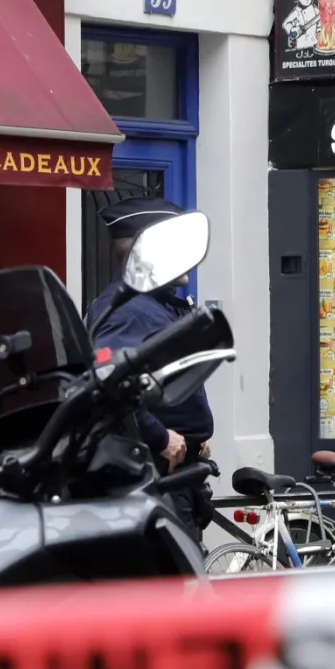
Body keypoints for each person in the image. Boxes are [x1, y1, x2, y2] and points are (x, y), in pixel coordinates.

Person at [86, 195, 215, 532]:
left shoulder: (152, 305)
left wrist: (191, 434)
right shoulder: (128, 311)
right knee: (179, 583)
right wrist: (160, 438)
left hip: (174, 473)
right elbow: (108, 382)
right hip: (156, 476)